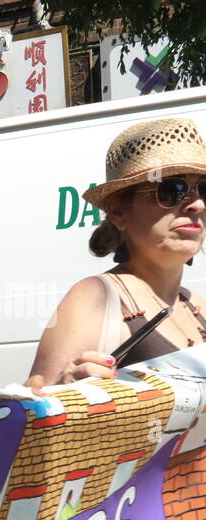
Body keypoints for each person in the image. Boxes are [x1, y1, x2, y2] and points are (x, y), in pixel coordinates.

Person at [29, 118, 206, 385]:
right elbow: (33, 413)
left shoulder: (198, 306)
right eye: (172, 190)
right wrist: (63, 389)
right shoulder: (94, 298)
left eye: (204, 190)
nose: (197, 205)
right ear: (118, 211)